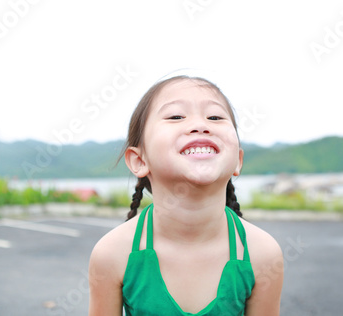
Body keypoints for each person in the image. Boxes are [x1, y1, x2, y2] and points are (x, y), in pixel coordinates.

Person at [88, 75, 284, 315]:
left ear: (238, 161)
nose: (200, 125)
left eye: (215, 117)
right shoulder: (112, 253)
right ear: (139, 160)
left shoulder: (262, 253)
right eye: (176, 116)